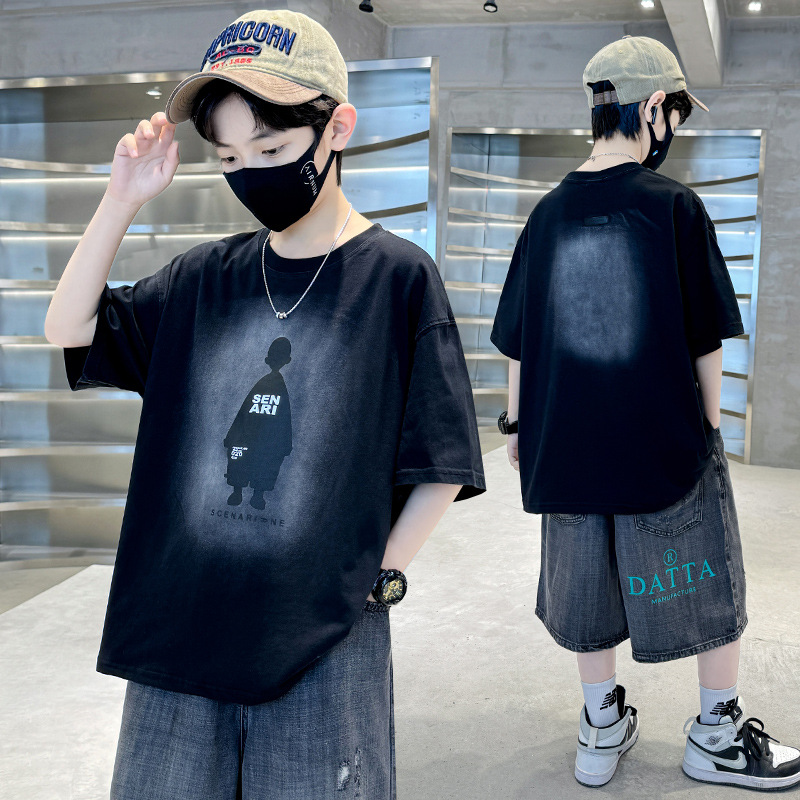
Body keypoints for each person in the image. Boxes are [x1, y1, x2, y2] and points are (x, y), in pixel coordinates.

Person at [44, 9, 485, 798]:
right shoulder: (202, 280)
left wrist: (374, 580)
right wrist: (120, 201)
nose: (251, 173)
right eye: (229, 158)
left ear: (336, 128)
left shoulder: (397, 279)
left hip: (319, 635)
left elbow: (443, 457)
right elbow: (68, 327)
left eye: (273, 150)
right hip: (180, 629)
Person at [491, 34, 800, 792]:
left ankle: (601, 726)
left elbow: (518, 338)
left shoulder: (546, 214)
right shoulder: (674, 206)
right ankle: (717, 734)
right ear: (653, 107)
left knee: (584, 588)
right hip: (661, 439)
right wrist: (710, 424)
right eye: (677, 116)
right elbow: (704, 336)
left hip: (565, 445)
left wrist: (518, 428)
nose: (675, 133)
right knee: (706, 579)